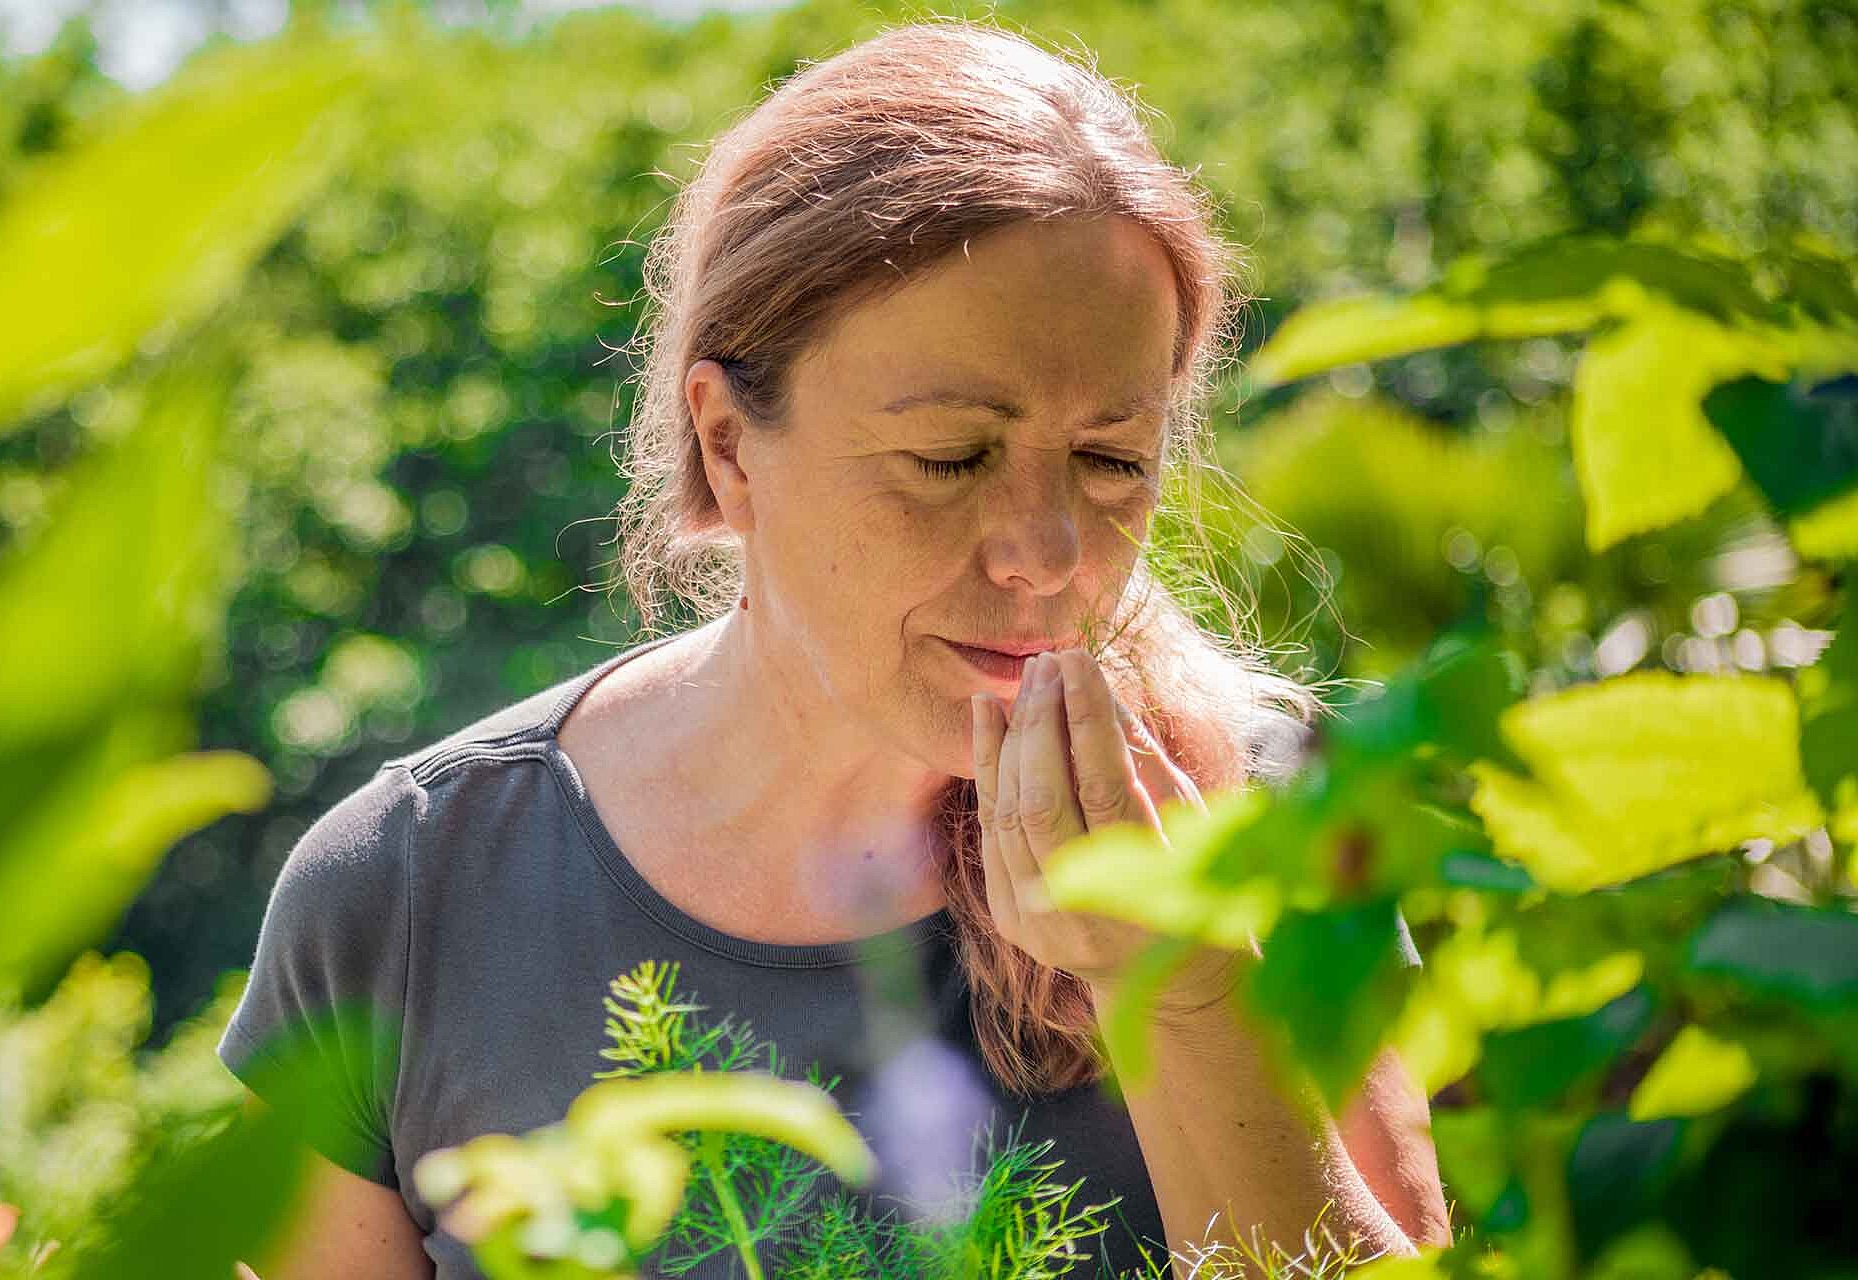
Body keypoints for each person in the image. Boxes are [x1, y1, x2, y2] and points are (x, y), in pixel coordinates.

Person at [221, 18, 1451, 1278]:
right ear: (727, 443)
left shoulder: (1260, 811)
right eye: (947, 458)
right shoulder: (407, 892)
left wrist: (1186, 990)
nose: (1044, 552)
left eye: (1110, 460)